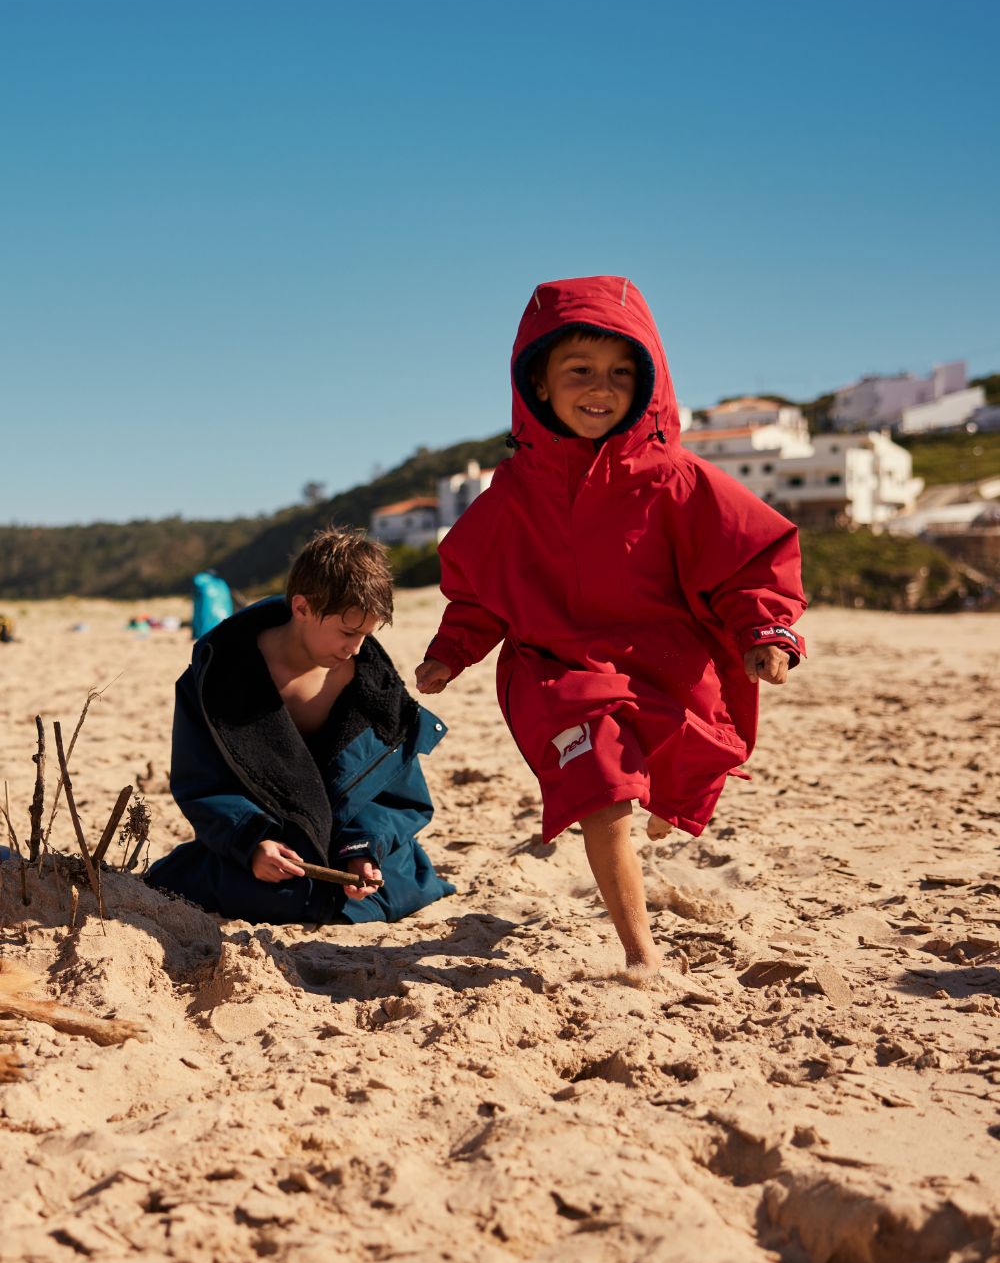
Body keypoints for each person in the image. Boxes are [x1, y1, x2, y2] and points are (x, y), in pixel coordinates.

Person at [415, 275, 806, 971]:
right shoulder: (512, 494)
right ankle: (641, 955)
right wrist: (453, 651)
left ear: (649, 381)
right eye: (580, 370)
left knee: (680, 767)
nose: (602, 387)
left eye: (622, 373)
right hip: (557, 672)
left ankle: (664, 806)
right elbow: (481, 590)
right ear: (538, 381)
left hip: (665, 664)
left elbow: (751, 559)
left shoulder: (677, 478)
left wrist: (766, 630)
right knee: (603, 792)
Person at [147, 528, 454, 925]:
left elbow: (396, 795)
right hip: (265, 856)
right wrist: (252, 844)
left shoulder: (373, 684)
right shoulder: (218, 679)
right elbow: (202, 783)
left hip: (352, 858)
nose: (356, 648)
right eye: (347, 632)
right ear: (302, 607)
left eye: (366, 634)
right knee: (242, 890)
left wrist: (363, 848)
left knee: (392, 888)